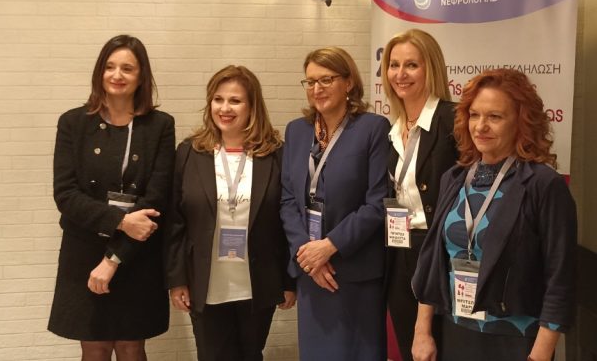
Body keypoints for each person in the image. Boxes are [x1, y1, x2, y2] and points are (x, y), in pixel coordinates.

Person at [411, 68, 576, 361]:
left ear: (521, 122)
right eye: (474, 115)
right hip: (455, 331)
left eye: (495, 117)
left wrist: (540, 355)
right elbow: (433, 261)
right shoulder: (454, 178)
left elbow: (560, 278)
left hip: (516, 340)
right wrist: (422, 332)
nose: (481, 126)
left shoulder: (542, 185)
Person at [48, 34, 175, 361]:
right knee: (95, 347)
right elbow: (65, 194)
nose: (117, 75)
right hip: (84, 251)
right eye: (109, 67)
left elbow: (156, 198)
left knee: (132, 348)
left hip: (136, 252)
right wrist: (121, 221)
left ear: (141, 76)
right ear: (99, 72)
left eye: (127, 68)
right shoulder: (73, 123)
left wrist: (114, 259)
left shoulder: (159, 126)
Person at [163, 65, 296, 361]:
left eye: (235, 101)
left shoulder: (276, 154)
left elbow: (285, 222)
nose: (224, 108)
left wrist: (289, 281)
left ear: (252, 106)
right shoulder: (190, 152)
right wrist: (177, 279)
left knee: (251, 355)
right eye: (218, 99)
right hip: (205, 283)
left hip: (259, 282)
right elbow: (175, 222)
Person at [279, 47, 391, 361]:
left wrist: (329, 246)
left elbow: (378, 202)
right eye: (311, 81)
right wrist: (307, 253)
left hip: (354, 270)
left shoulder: (372, 128)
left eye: (326, 80)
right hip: (311, 271)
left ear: (348, 82)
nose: (317, 88)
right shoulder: (296, 131)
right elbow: (288, 199)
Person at [380, 29, 458, 361]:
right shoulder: (394, 128)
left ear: (431, 68)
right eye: (394, 65)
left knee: (437, 348)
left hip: (440, 252)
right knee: (409, 347)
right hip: (400, 249)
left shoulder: (453, 120)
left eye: (411, 65)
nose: (400, 74)